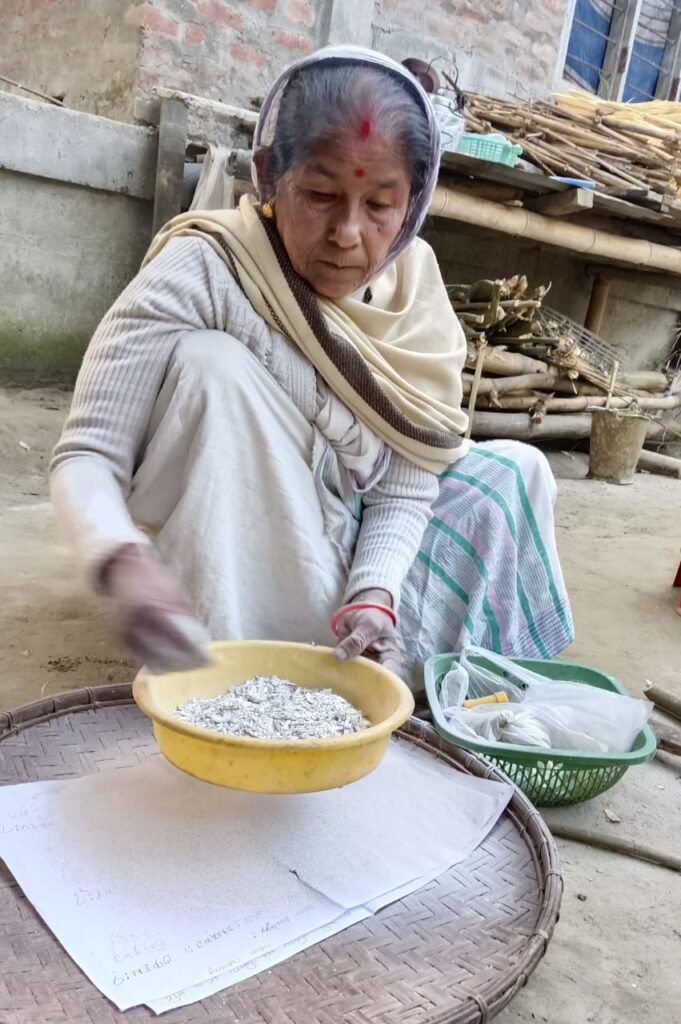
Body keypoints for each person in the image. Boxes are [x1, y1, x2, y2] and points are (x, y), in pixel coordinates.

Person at [50, 45, 573, 689]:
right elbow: (87, 454)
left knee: (519, 470)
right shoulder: (209, 265)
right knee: (211, 367)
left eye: (380, 205)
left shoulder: (416, 293)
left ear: (413, 202)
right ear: (269, 175)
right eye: (321, 195)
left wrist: (375, 592)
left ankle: (400, 664)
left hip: (368, 535)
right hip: (268, 531)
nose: (348, 233)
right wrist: (120, 558)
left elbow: (406, 483)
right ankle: (234, 674)